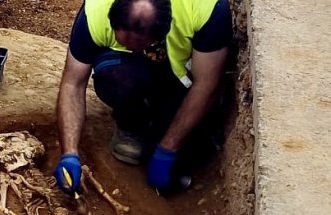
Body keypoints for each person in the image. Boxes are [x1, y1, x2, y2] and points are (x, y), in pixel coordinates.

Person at [53, 0, 232, 192]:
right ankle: (131, 125)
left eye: (139, 44)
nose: (132, 48)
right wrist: (69, 153)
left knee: (191, 153)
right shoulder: (96, 10)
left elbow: (206, 84)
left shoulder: (206, 8)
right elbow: (73, 83)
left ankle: (162, 125)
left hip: (179, 76)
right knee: (118, 80)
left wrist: (167, 149)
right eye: (124, 42)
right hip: (130, 69)